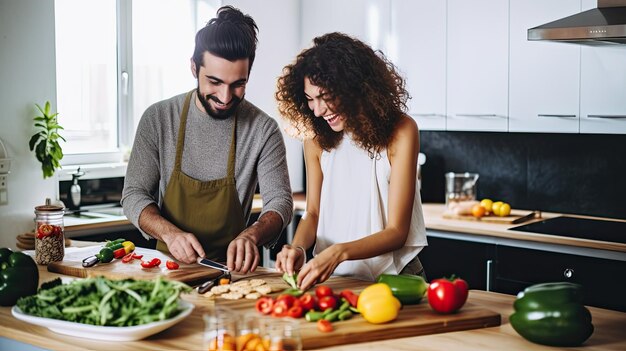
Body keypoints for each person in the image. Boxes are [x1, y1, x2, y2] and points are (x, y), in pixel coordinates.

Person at [121, 6, 293, 273]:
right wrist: (169, 233)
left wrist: (253, 234)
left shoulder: (263, 130)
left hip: (231, 273)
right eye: (214, 82)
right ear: (193, 67)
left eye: (238, 84)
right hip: (167, 269)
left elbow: (280, 202)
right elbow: (133, 195)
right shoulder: (159, 118)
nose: (225, 97)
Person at [274, 32, 427, 290]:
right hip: (334, 280)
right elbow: (312, 213)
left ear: (354, 86)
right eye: (310, 99)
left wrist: (337, 252)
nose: (318, 110)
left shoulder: (401, 131)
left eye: (325, 96)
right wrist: (298, 247)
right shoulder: (315, 140)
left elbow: (397, 232)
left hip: (394, 278)